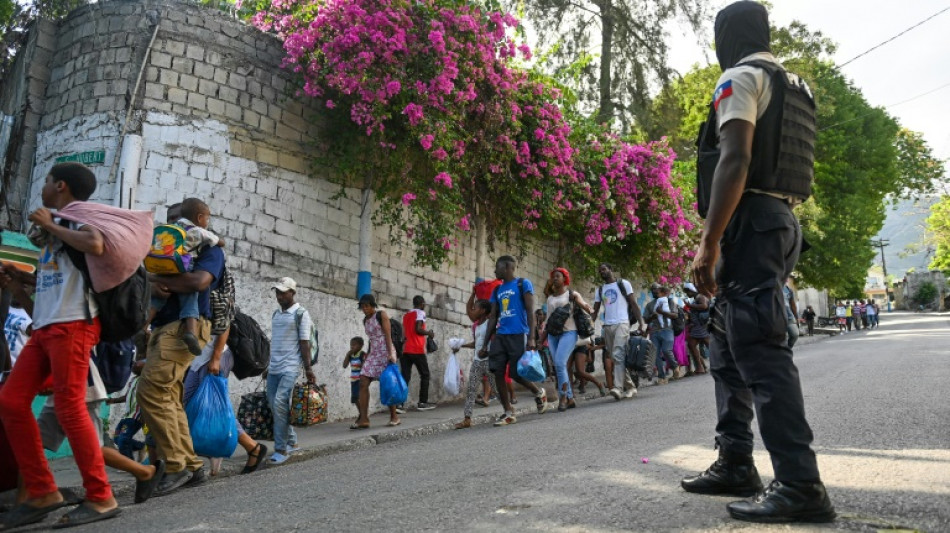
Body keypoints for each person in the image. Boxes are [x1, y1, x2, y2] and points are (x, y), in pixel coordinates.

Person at [685, 2, 835, 523]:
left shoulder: (740, 77)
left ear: (728, 37)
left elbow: (736, 158)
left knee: (761, 354)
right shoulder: (795, 86)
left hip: (751, 225)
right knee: (727, 346)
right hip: (777, 223)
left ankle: (799, 484)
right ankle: (735, 462)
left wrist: (709, 241)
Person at [0, 163, 121, 528]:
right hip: (46, 326)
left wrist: (50, 224)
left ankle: (101, 496)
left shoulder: (78, 216)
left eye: (48, 181)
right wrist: (19, 280)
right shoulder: (55, 229)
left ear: (61, 186)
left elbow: (95, 244)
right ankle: (42, 491)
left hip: (74, 324)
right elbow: (54, 280)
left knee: (70, 408)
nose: (43, 186)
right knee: (11, 401)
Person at [137, 197, 225, 496]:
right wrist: (152, 280)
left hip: (183, 328)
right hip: (165, 328)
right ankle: (189, 465)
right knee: (168, 397)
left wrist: (157, 280)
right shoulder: (164, 247)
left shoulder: (209, 249)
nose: (174, 224)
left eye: (179, 218)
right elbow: (146, 275)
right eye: (171, 219)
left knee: (151, 391)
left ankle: (177, 466)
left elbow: (198, 282)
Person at [147, 199, 226, 356]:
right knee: (189, 298)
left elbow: (199, 282)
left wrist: (155, 279)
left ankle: (142, 326)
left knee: (156, 301)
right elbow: (219, 242)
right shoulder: (198, 231)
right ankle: (191, 332)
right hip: (182, 266)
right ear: (199, 218)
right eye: (207, 218)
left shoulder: (166, 232)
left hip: (164, 267)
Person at [182, 330, 268, 475]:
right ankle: (213, 448)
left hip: (214, 356)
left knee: (216, 409)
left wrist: (216, 358)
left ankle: (253, 448)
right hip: (198, 360)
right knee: (186, 404)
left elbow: (224, 326)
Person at [481, 255, 549, 426]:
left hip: (518, 334)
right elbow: (493, 317)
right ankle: (508, 411)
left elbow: (530, 312)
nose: (495, 271)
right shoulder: (497, 290)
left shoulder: (522, 284)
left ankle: (538, 392)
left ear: (507, 267)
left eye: (497, 267)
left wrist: (532, 338)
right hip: (501, 335)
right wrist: (485, 343)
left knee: (515, 373)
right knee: (497, 371)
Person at [267, 276, 316, 465]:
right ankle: (292, 441)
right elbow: (275, 342)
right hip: (274, 367)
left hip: (290, 366)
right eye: (277, 292)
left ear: (292, 292)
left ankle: (281, 448)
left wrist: (308, 369)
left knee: (280, 402)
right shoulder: (276, 314)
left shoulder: (301, 314)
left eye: (283, 292)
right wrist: (267, 365)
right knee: (274, 405)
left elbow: (305, 343)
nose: (279, 296)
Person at [591, 263, 644, 399]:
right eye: (600, 271)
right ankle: (630, 386)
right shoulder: (600, 290)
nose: (602, 272)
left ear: (611, 269)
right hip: (608, 326)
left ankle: (618, 388)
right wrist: (590, 326)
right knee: (615, 358)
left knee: (618, 353)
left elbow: (633, 304)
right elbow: (595, 310)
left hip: (622, 323)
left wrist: (641, 323)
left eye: (604, 269)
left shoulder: (623, 284)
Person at [544, 268, 594, 411]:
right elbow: (548, 321)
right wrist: (541, 340)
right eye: (553, 277)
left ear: (564, 279)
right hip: (553, 335)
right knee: (558, 366)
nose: (555, 279)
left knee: (560, 363)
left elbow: (586, 307)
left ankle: (563, 397)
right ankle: (570, 398)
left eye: (558, 276)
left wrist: (587, 308)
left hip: (569, 333)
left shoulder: (572, 294)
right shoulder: (550, 298)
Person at [353, 294, 400, 429]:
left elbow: (388, 335)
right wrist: (367, 355)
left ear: (373, 305)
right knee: (363, 381)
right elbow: (371, 339)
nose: (364, 309)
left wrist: (390, 354)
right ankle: (364, 419)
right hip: (373, 353)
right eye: (362, 307)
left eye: (367, 306)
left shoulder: (381, 315)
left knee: (387, 383)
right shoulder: (365, 320)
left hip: (385, 351)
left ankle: (394, 416)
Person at [455, 297, 496, 429]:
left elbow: (497, 341)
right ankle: (467, 419)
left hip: (489, 361)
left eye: (475, 308)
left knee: (496, 389)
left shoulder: (490, 324)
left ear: (483, 310)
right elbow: (476, 343)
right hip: (477, 361)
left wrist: (488, 352)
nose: (472, 311)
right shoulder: (476, 326)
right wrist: (460, 345)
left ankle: (509, 410)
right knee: (471, 389)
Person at [399, 295, 436, 412]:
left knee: (405, 377)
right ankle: (422, 402)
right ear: (422, 304)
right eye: (424, 304)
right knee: (425, 375)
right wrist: (429, 333)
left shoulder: (406, 315)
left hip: (405, 349)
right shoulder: (420, 313)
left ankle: (399, 404)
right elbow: (418, 329)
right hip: (416, 349)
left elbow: (404, 332)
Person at [644, 284, 681, 385]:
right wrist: (652, 317)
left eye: (656, 289)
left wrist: (661, 312)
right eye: (652, 289)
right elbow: (646, 319)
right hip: (654, 331)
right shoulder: (649, 305)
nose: (654, 291)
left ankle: (675, 366)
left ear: (661, 290)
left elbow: (675, 315)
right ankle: (661, 376)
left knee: (666, 350)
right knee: (655, 354)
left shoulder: (669, 301)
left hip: (667, 329)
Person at [682, 283, 710, 374]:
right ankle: (700, 367)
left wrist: (689, 306)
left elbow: (704, 306)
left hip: (701, 326)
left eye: (687, 292)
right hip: (696, 326)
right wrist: (688, 311)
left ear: (691, 290)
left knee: (708, 344)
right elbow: (695, 312)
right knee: (692, 345)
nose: (687, 294)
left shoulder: (700, 297)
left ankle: (720, 362)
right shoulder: (696, 298)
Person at [343, 337, 366, 406]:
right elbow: (344, 365)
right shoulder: (351, 355)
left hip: (360, 379)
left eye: (354, 345)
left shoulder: (362, 354)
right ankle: (361, 411)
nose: (352, 347)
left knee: (359, 397)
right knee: (355, 398)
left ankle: (363, 411)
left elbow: (364, 367)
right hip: (353, 379)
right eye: (351, 345)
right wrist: (347, 355)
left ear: (361, 346)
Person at [784, 281, 799, 348]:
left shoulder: (788, 290)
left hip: (789, 315)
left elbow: (793, 305)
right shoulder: (771, 286)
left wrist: (796, 318)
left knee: (795, 334)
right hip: (776, 316)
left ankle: (787, 349)